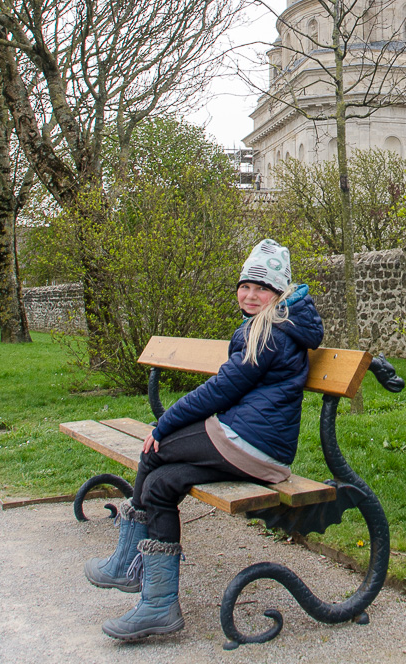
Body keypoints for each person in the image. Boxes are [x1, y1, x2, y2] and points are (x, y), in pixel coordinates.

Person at [84, 239, 324, 642]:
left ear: (278, 293)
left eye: (261, 288)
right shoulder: (274, 325)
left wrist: (162, 426)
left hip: (251, 445)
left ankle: (129, 567)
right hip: (251, 443)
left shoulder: (270, 332)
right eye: (245, 285)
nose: (250, 295)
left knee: (154, 449)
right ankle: (158, 604)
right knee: (161, 483)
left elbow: (220, 391)